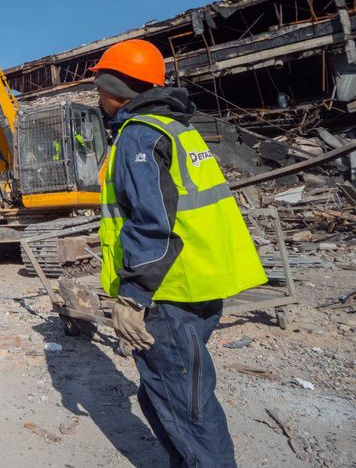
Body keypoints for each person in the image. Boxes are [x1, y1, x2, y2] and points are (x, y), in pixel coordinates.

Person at [90, 39, 267, 468]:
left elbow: (153, 224)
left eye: (99, 88)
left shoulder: (138, 136)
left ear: (117, 87)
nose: (97, 98)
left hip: (168, 293)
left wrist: (133, 296)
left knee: (186, 407)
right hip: (202, 284)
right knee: (170, 397)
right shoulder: (180, 131)